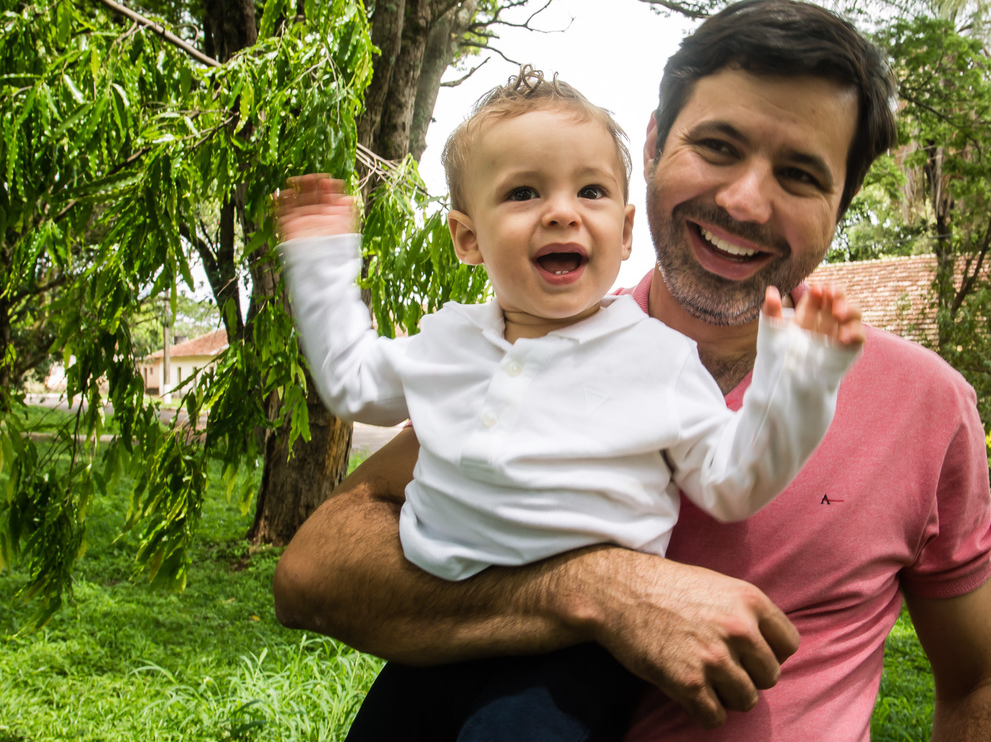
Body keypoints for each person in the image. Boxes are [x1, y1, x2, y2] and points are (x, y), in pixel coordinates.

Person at [273, 0, 991, 742]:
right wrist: (600, 589)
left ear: (842, 204)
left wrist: (799, 380)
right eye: (719, 146)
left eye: (801, 174)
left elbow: (984, 685)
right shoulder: (512, 349)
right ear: (653, 145)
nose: (746, 201)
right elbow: (312, 573)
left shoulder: (923, 404)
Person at [274, 66, 863, 741]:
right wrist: (321, 261)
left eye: (591, 190)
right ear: (467, 238)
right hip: (439, 627)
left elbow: (734, 482)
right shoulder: (446, 342)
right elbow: (351, 383)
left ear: (625, 229)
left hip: (572, 658)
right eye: (523, 192)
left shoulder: (659, 359)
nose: (562, 212)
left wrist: (799, 381)